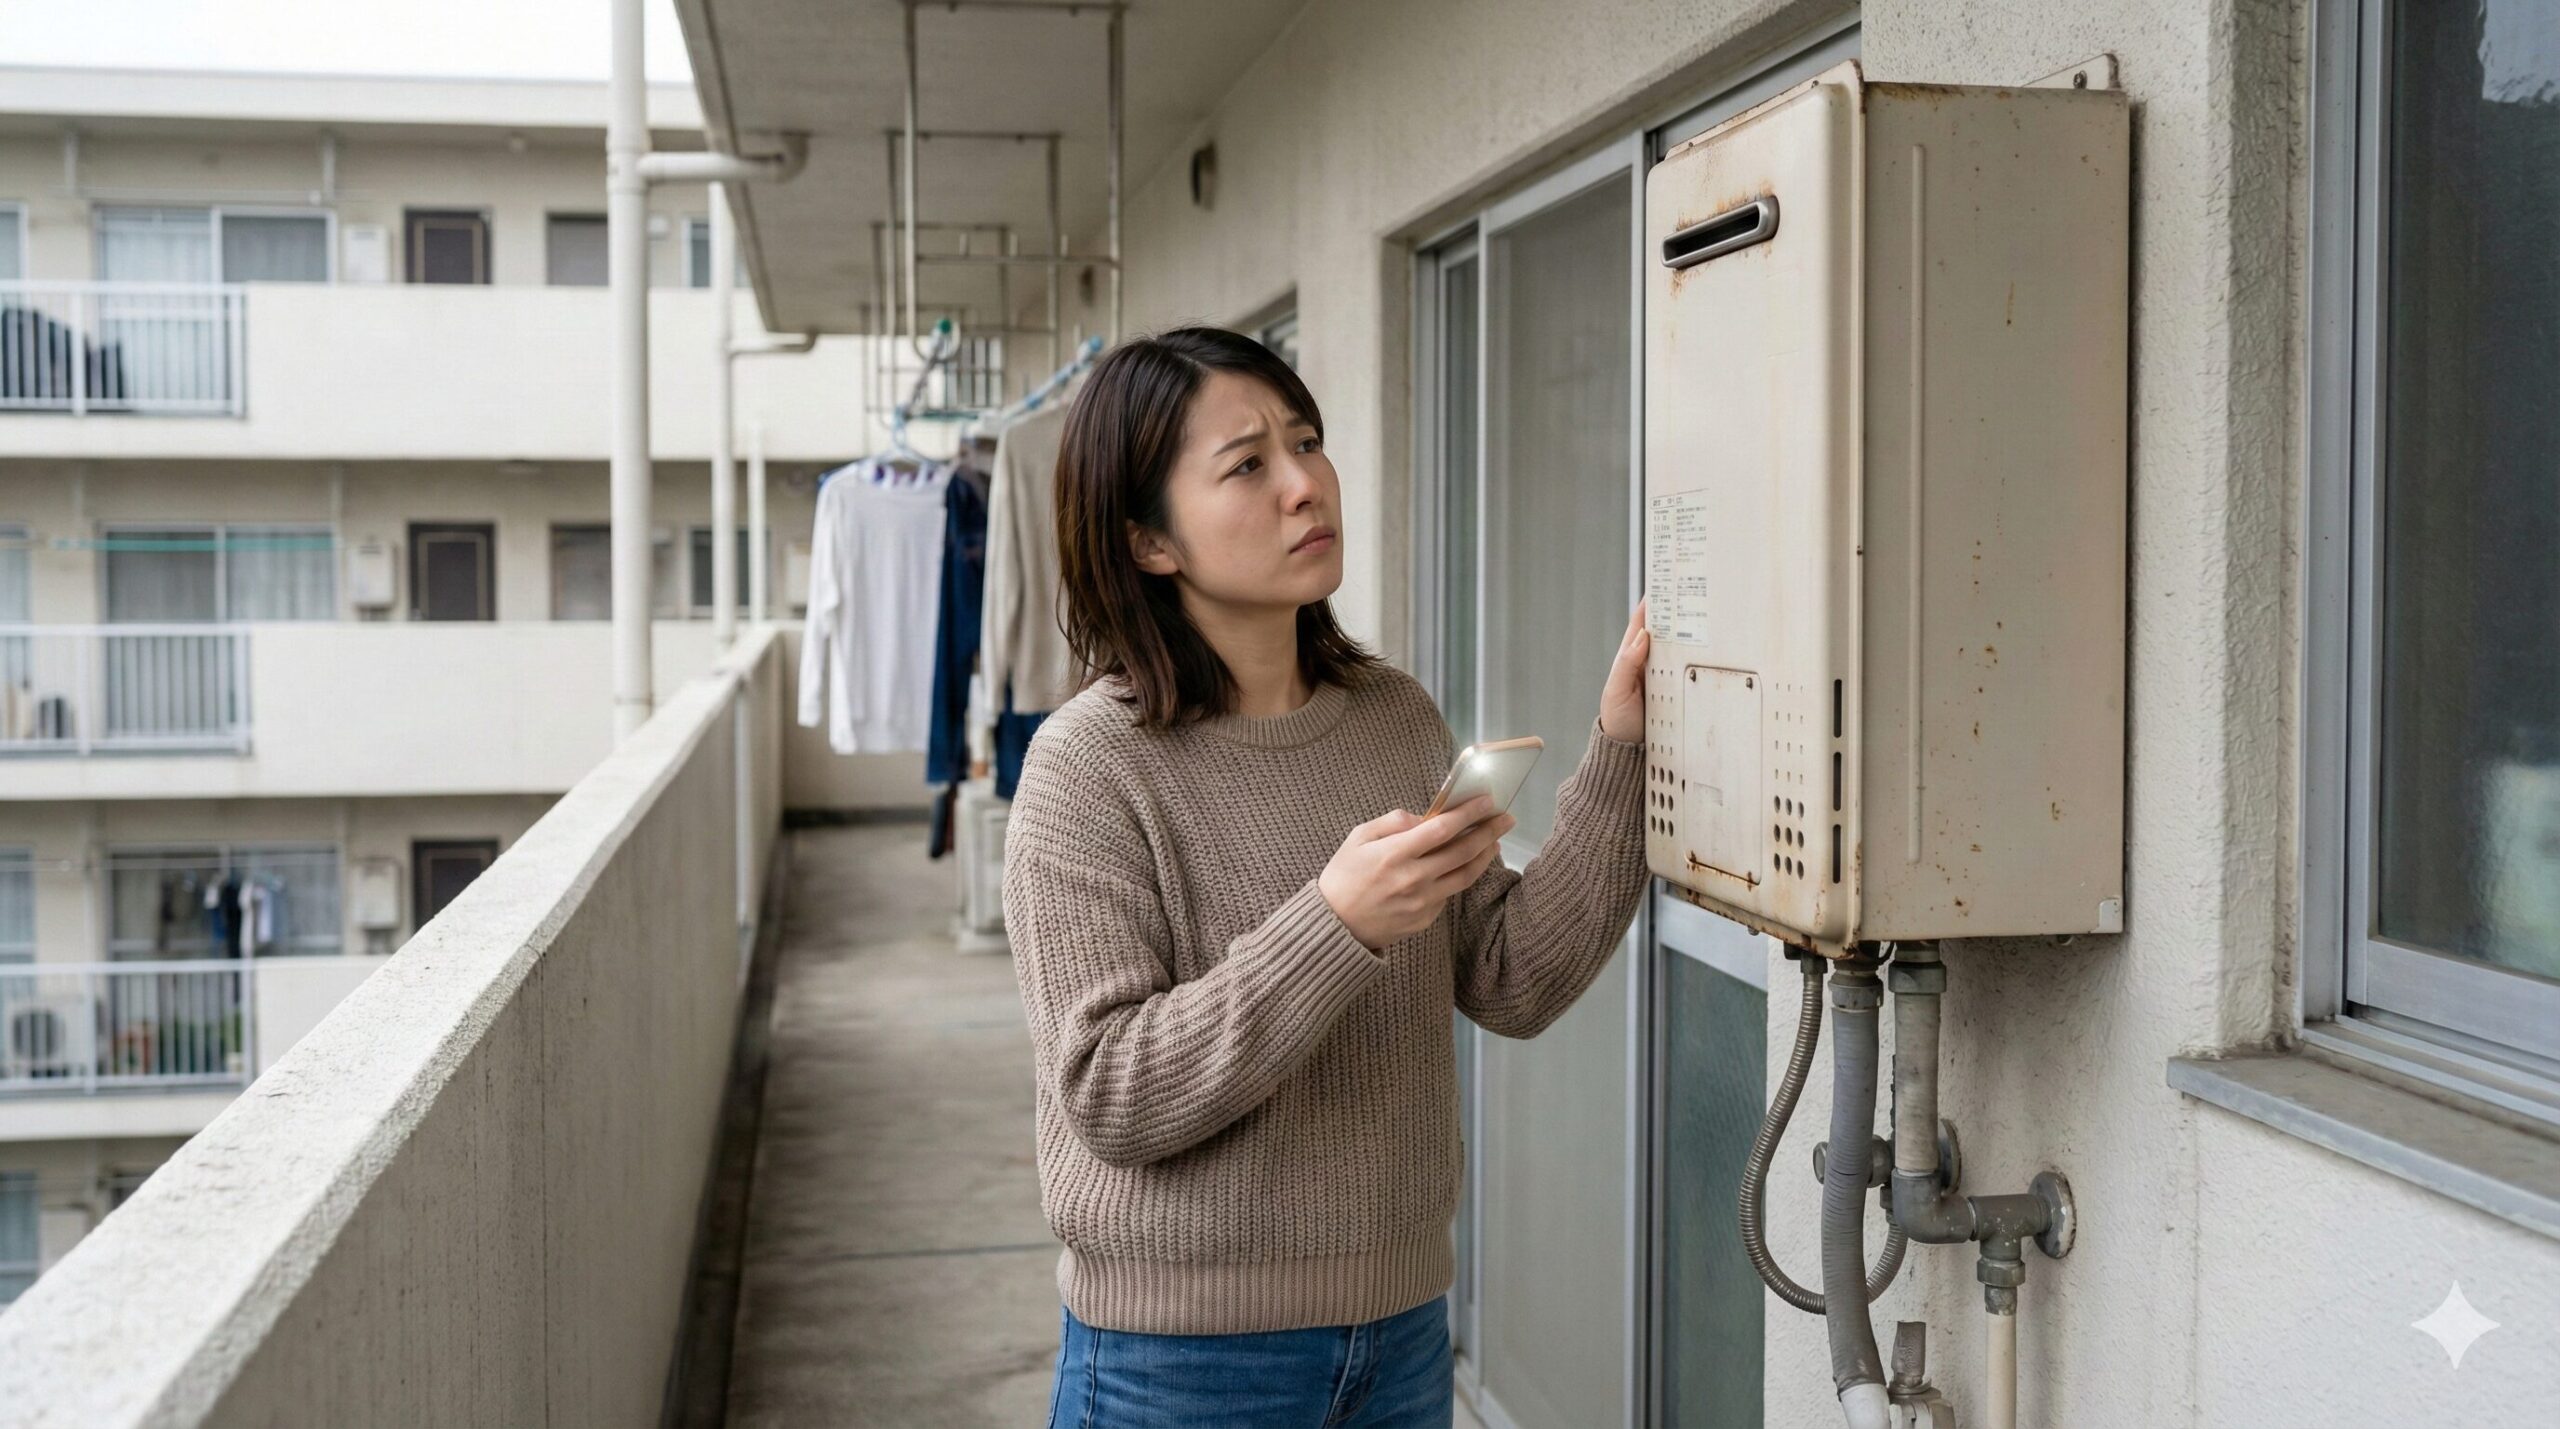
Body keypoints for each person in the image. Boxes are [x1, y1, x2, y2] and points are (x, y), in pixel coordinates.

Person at [1005, 325, 1652, 1428]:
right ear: (1150, 543)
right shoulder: (1086, 766)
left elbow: (1510, 977)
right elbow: (1111, 1090)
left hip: (1400, 1336)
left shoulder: (1391, 715)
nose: (1305, 484)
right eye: (1247, 464)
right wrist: (1337, 923)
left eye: (1306, 441)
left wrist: (1626, 746)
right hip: (1178, 1365)